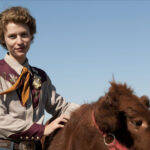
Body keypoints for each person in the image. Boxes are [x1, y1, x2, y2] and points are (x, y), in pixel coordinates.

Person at [0, 6, 79, 150]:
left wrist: (91, 111)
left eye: (24, 34)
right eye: (12, 36)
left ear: (31, 36)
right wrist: (41, 130)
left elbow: (61, 107)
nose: (19, 41)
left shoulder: (40, 77)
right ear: (3, 39)